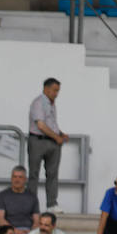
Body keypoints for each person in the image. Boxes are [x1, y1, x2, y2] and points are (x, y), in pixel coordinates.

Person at [26, 78, 68, 212]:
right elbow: (41, 125)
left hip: (53, 142)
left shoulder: (52, 104)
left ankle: (51, 204)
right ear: (46, 89)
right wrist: (57, 137)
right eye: (55, 90)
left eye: (58, 91)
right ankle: (31, 205)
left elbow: (51, 124)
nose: (56, 94)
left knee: (52, 174)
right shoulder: (38, 103)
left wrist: (60, 134)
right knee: (34, 174)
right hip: (38, 140)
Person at [0, 166, 41, 233]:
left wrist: (30, 233)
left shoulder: (32, 196)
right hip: (8, 232)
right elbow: (1, 220)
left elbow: (36, 221)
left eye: (20, 177)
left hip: (28, 231)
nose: (17, 180)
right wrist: (17, 232)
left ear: (25, 179)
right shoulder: (2, 195)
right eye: (14, 177)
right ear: (11, 178)